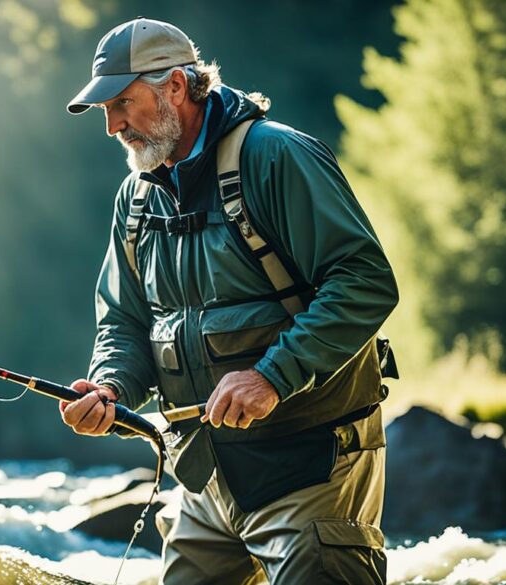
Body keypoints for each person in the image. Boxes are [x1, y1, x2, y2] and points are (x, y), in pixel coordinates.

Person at [60, 18, 398, 585]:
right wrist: (110, 386)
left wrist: (271, 376)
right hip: (205, 480)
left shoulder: (276, 157)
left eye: (123, 102)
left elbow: (364, 280)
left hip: (312, 466)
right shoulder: (135, 198)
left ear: (175, 86)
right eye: (105, 110)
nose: (113, 125)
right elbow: (124, 320)